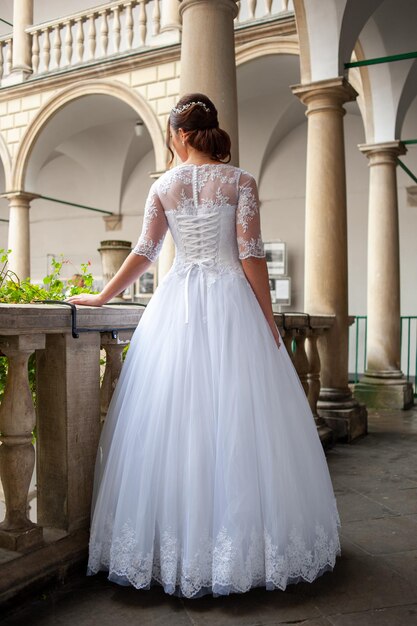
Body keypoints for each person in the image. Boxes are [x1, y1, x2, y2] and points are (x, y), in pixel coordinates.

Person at [68, 93, 341, 598]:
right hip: (230, 299)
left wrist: (103, 295)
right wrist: (268, 320)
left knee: (176, 419)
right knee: (237, 420)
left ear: (180, 135)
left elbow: (146, 252)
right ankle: (241, 548)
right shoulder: (240, 181)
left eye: (171, 135)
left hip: (176, 304)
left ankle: (174, 548)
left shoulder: (164, 186)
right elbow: (251, 255)